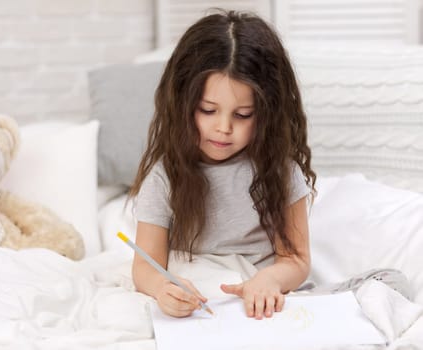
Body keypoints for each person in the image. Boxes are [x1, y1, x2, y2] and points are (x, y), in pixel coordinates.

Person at [128, 9, 316, 319]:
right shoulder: (166, 176)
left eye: (242, 115)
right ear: (182, 104)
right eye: (207, 110)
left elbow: (296, 259)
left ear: (267, 112)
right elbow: (146, 267)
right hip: (200, 300)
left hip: (260, 297)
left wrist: (269, 279)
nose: (224, 128)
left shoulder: (280, 171)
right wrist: (163, 287)